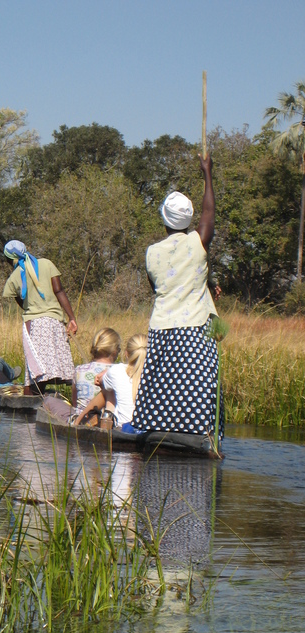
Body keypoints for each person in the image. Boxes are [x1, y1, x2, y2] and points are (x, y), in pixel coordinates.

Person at [131, 153, 224, 438]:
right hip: (194, 330)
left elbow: (156, 287)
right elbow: (209, 214)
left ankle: (158, 433)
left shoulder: (152, 253)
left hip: (162, 330)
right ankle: (200, 436)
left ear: (164, 220)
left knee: (163, 391)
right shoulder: (198, 243)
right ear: (189, 220)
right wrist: (207, 172)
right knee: (197, 389)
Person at [2, 240, 77, 396]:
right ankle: (43, 402)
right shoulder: (47, 264)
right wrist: (71, 318)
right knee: (49, 367)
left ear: (10, 260)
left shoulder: (14, 277)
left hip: (34, 325)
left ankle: (29, 407)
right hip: (54, 322)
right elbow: (59, 291)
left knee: (34, 371)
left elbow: (22, 302)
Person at [73, 333, 147, 428]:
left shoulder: (117, 370)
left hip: (123, 428)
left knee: (108, 391)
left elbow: (98, 381)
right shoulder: (157, 375)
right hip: (148, 429)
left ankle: (79, 421)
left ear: (126, 353)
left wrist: (105, 374)